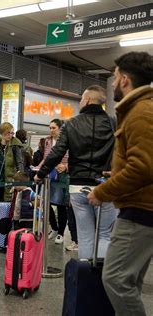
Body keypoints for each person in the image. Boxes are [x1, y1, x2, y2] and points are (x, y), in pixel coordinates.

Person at [87, 51, 153, 316]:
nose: (112, 84)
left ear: (125, 80)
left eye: (114, 78)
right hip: (143, 208)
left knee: (115, 279)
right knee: (129, 281)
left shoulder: (140, 112)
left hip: (140, 211)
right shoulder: (141, 109)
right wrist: (116, 173)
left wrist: (103, 191)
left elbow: (144, 166)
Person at [34, 85, 117, 259]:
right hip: (106, 185)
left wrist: (41, 174)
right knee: (104, 235)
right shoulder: (113, 123)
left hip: (78, 187)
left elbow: (57, 153)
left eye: (81, 99)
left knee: (85, 236)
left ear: (87, 100)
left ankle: (87, 277)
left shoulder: (71, 124)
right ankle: (100, 279)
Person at [40, 119, 69, 245]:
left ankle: (61, 232)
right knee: (46, 203)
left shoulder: (68, 141)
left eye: (54, 128)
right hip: (49, 175)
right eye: (50, 128)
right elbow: (46, 158)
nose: (51, 130)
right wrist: (38, 168)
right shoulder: (47, 141)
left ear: (60, 128)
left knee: (61, 204)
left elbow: (74, 158)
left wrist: (66, 166)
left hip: (62, 176)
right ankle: (55, 228)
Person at [0, 122, 24, 202]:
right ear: (2, 133)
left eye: (12, 133)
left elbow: (20, 162)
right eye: (8, 133)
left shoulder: (15, 145)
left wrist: (20, 179)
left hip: (9, 180)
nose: (10, 135)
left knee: (7, 204)